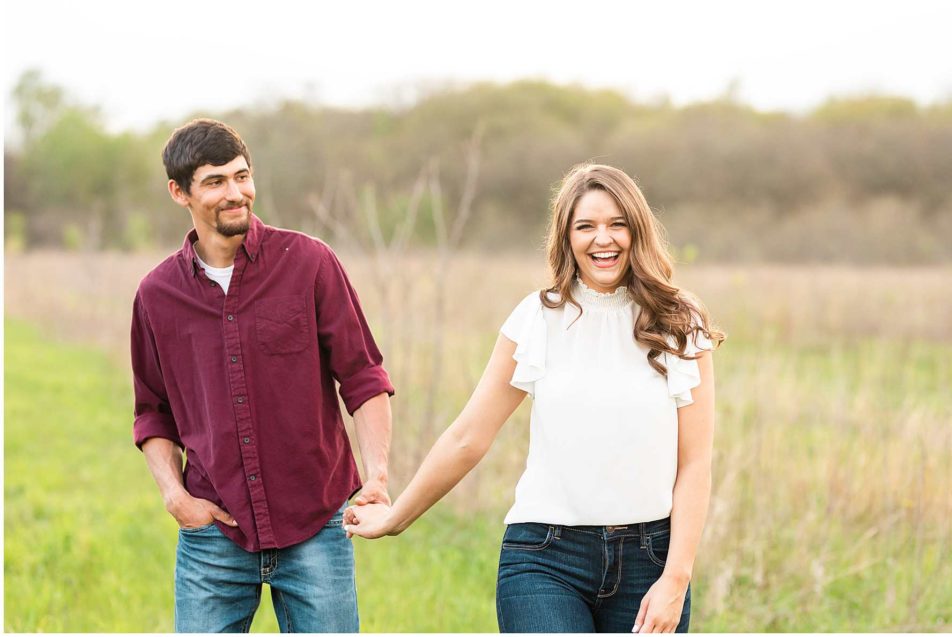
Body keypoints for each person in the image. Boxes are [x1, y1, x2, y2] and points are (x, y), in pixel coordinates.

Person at [345, 163, 723, 633]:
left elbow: (696, 465)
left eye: (616, 224)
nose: (602, 239)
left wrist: (676, 578)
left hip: (650, 561)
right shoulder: (537, 319)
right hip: (546, 559)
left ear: (637, 230)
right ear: (566, 238)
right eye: (585, 226)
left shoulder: (680, 321)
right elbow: (468, 437)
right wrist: (396, 518)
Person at [130, 118, 394, 632]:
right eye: (215, 182)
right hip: (214, 535)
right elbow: (152, 412)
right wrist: (174, 496)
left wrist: (378, 474)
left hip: (317, 523)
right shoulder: (157, 295)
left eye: (242, 176)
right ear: (178, 192)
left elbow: (363, 377)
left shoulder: (310, 263)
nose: (236, 193)